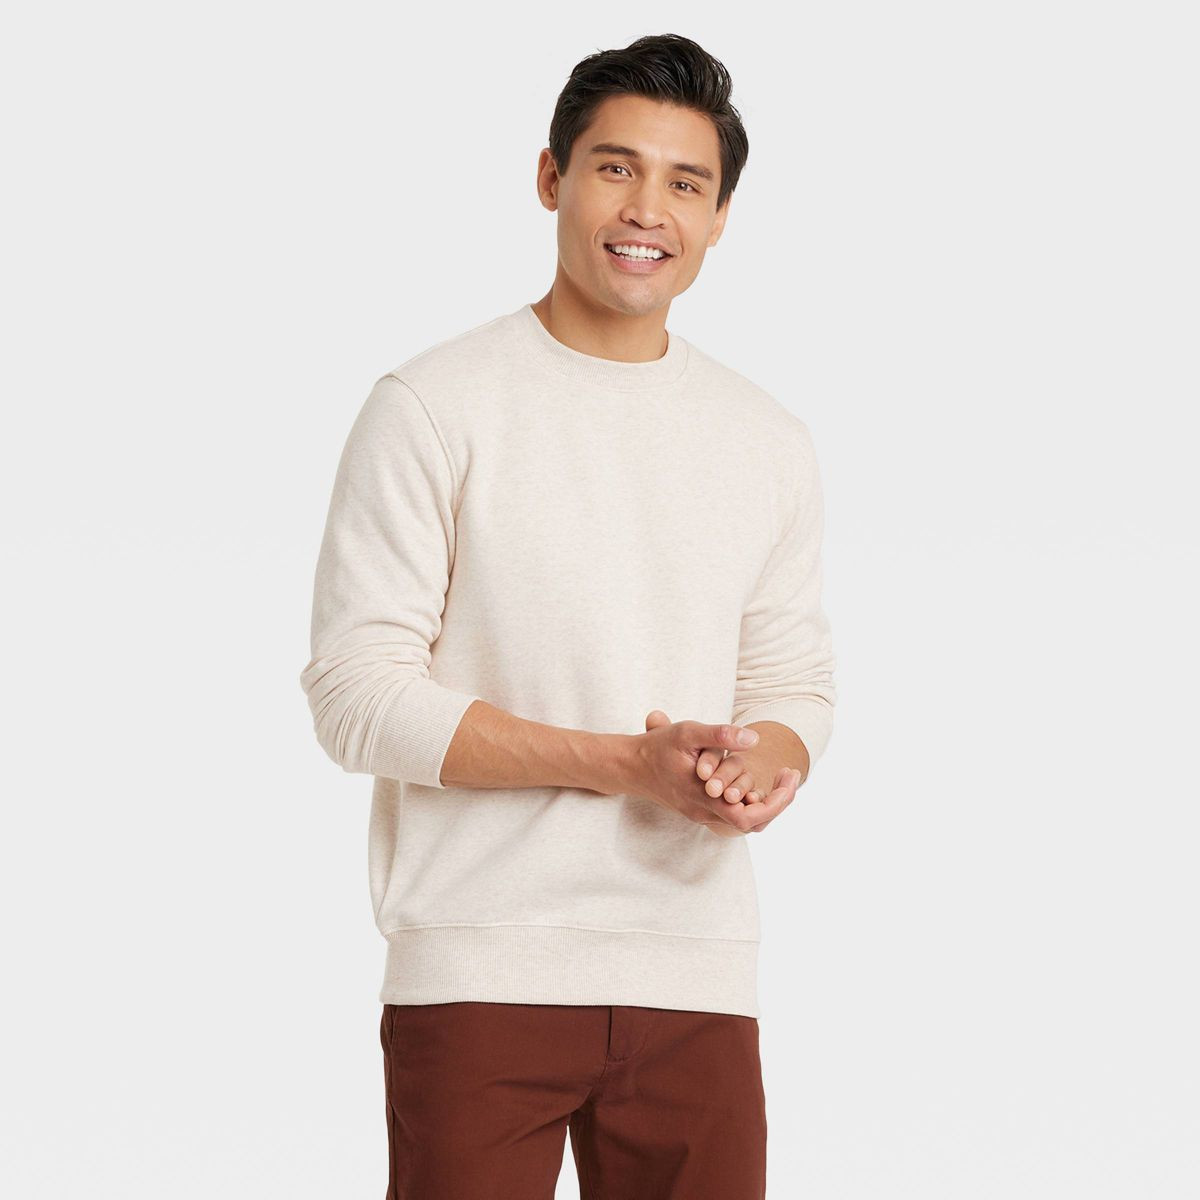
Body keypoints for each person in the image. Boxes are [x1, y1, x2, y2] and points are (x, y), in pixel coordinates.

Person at [299, 32, 836, 1200]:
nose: (647, 209)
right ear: (551, 177)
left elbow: (792, 683)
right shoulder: (432, 405)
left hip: (696, 974)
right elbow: (355, 697)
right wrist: (624, 766)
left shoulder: (767, 439)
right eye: (615, 167)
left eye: (686, 183)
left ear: (720, 217)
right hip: (480, 972)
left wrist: (766, 763)